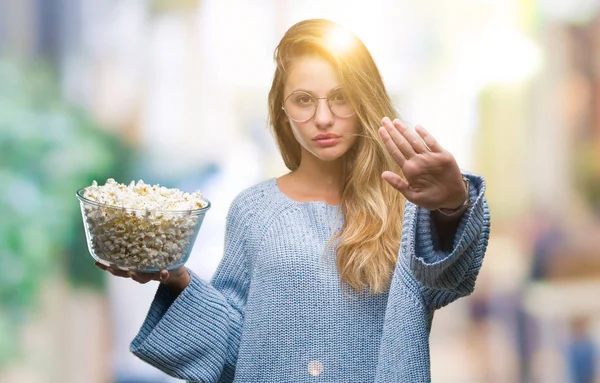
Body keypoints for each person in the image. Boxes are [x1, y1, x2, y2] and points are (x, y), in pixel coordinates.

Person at [96, 18, 491, 383]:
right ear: (283, 111)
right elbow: (237, 350)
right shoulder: (254, 210)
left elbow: (448, 281)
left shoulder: (404, 204)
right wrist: (180, 281)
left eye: (341, 97)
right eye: (304, 99)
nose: (323, 118)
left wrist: (451, 207)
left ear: (364, 102)